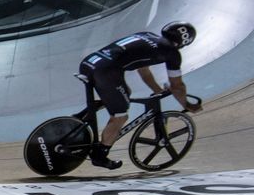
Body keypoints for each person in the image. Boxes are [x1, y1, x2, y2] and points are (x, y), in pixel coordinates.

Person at [79, 22, 203, 170]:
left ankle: (81, 117)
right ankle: (100, 156)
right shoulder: (172, 54)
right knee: (120, 116)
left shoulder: (146, 35)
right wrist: (186, 105)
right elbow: (177, 86)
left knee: (125, 93)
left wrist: (158, 90)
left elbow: (144, 71)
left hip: (89, 62)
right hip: (107, 72)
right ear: (184, 43)